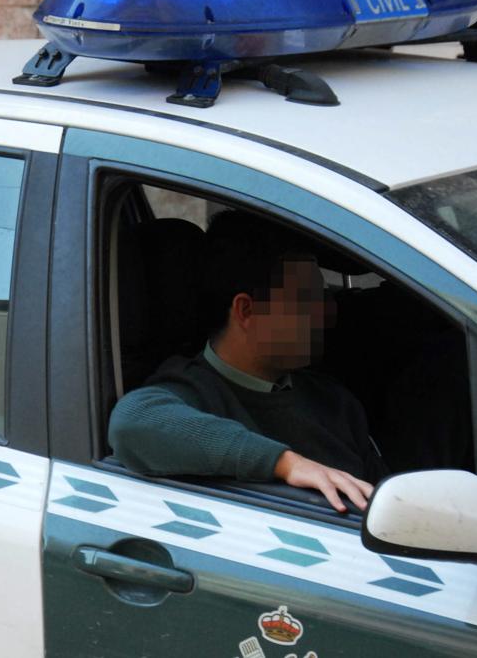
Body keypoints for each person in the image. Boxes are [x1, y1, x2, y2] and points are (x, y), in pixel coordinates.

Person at [109, 210, 387, 513]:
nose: (324, 314)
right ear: (246, 310)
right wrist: (285, 464)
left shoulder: (336, 402)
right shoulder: (190, 393)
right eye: (305, 299)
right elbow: (130, 423)